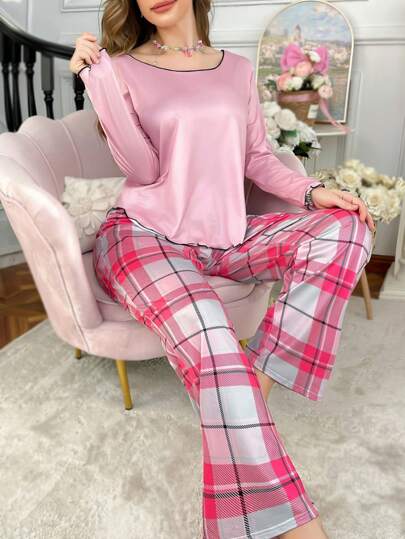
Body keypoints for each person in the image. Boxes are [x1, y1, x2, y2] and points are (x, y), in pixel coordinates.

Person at [69, 1, 375, 537]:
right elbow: (143, 169)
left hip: (227, 236)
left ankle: (254, 381)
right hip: (142, 236)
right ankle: (297, 527)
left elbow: (256, 158)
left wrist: (313, 191)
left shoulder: (235, 68)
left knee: (347, 229)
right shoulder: (121, 68)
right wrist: (99, 82)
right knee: (212, 333)